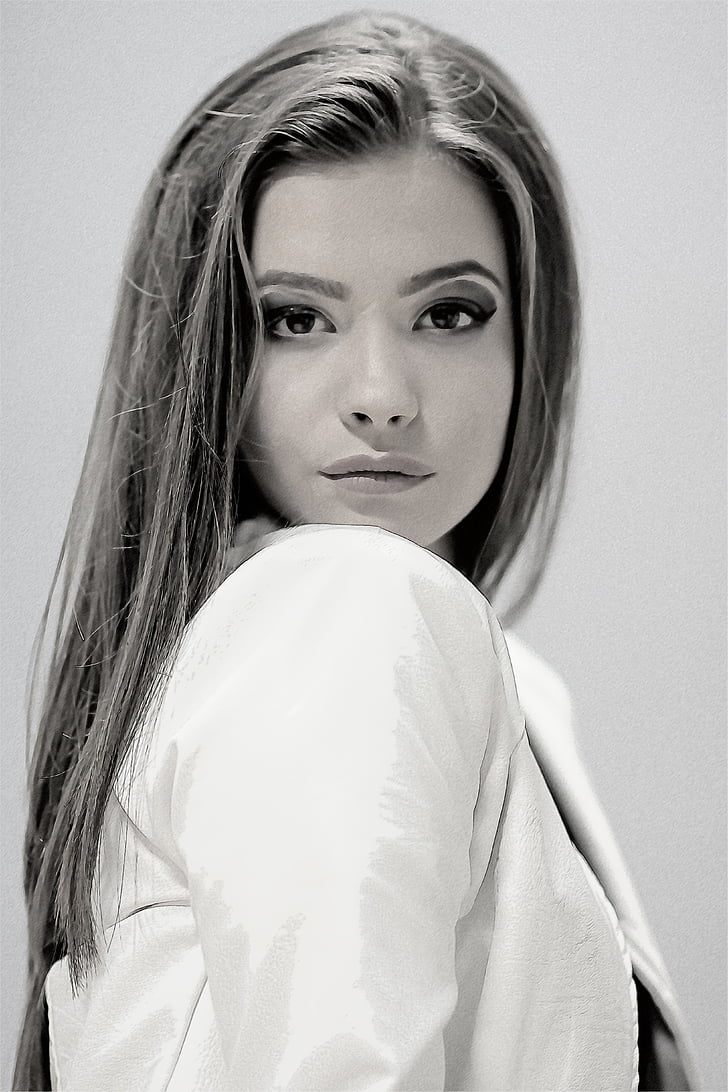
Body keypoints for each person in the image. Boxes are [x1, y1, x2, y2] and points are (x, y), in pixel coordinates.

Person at [13, 10, 698, 1090]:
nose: (380, 396)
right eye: (295, 319)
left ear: (533, 335)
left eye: (449, 313)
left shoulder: (484, 681)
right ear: (206, 355)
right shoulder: (349, 610)